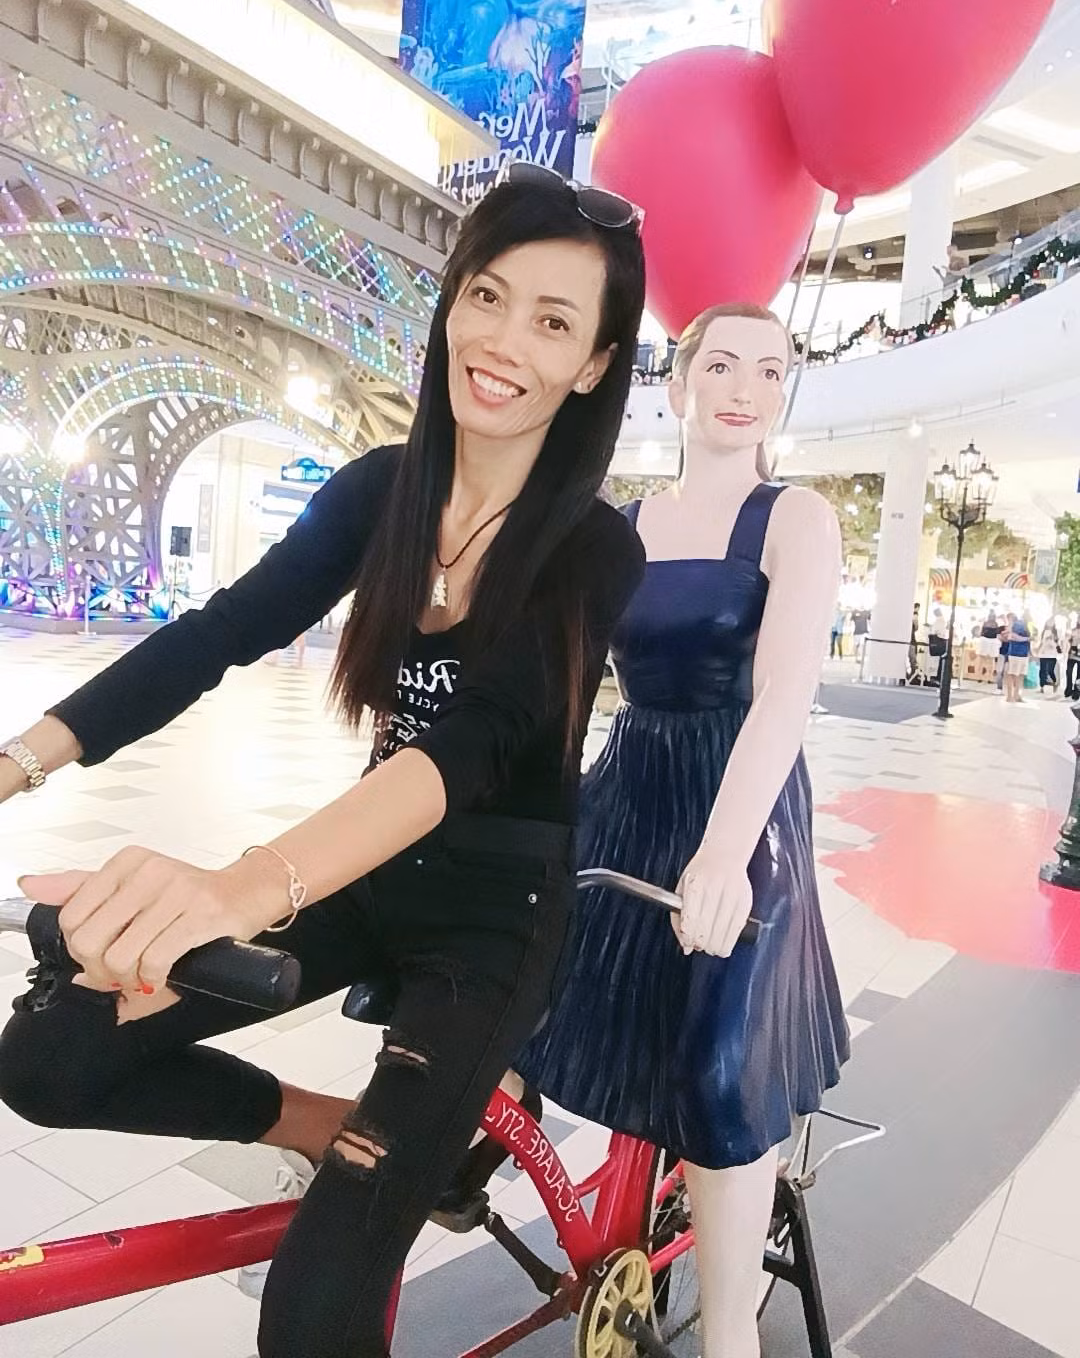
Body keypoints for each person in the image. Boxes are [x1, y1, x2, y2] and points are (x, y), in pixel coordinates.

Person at [0, 167, 647, 1358]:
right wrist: (16, 762)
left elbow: (465, 751)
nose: (504, 343)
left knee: (313, 1317)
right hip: (365, 876)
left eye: (554, 323)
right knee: (46, 1060)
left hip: (495, 920)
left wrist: (238, 888)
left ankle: (391, 1156)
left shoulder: (594, 549)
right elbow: (215, 635)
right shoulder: (381, 493)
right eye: (488, 296)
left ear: (595, 364)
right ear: (453, 299)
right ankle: (323, 1126)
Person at [517, 303, 849, 1358]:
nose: (745, 387)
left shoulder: (797, 518)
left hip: (741, 801)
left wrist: (723, 851)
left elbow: (784, 695)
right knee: (507, 975)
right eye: (723, 364)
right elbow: (566, 679)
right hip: (633, 785)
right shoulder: (621, 526)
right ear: (679, 383)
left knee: (717, 1067)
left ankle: (730, 1334)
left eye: (770, 369)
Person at [1004, 610, 1033, 703]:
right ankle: (1011, 696)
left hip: (1021, 653)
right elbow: (1013, 636)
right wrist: (1028, 639)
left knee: (1019, 675)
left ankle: (1015, 695)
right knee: (1014, 674)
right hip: (1016, 653)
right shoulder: (1019, 624)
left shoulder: (1025, 625)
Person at [976, 609, 1002, 684]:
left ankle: (979, 677)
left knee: (981, 660)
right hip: (993, 641)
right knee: (991, 661)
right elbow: (998, 635)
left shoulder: (985, 623)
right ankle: (989, 678)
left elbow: (980, 633)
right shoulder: (996, 624)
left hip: (984, 641)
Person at [1037, 620, 1062, 694]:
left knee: (1051, 671)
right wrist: (1039, 650)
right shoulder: (1043, 632)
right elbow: (1041, 642)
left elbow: (1058, 644)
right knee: (1042, 671)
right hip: (1043, 655)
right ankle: (1042, 687)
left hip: (1052, 655)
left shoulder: (1056, 633)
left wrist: (1052, 642)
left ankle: (1054, 684)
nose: (1050, 624)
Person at [1065, 619, 1080, 701]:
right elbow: (1069, 640)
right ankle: (1069, 689)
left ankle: (1076, 692)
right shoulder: (1073, 630)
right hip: (1072, 653)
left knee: (1079, 675)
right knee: (1069, 672)